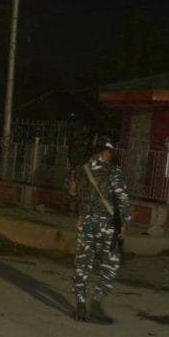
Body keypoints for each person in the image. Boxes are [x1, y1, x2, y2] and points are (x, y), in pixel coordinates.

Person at [67, 134, 130, 324]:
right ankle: (96, 304)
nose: (111, 156)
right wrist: (124, 224)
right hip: (107, 224)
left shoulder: (79, 170)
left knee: (83, 264)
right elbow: (122, 199)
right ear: (105, 153)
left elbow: (71, 193)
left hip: (85, 222)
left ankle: (80, 305)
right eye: (110, 153)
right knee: (109, 265)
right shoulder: (114, 172)